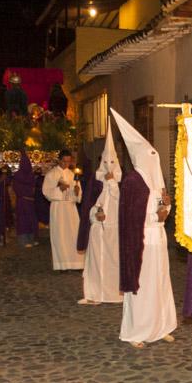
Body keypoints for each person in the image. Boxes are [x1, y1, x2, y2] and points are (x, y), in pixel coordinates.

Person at [113, 109, 177, 348]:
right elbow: (131, 215)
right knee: (142, 285)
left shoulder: (154, 180)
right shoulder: (132, 181)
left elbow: (161, 209)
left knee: (159, 282)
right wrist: (156, 214)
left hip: (157, 238)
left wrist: (166, 207)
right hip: (140, 241)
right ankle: (136, 331)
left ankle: (160, 326)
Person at [79, 122, 122, 305]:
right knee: (95, 261)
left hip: (115, 229)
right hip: (98, 228)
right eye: (105, 162)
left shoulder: (123, 182)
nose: (109, 166)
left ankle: (114, 294)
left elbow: (122, 202)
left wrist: (112, 183)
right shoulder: (95, 182)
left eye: (112, 162)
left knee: (113, 261)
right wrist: (95, 214)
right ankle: (94, 294)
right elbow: (89, 203)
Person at [42, 149, 84, 270]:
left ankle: (76, 263)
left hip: (70, 208)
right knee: (60, 235)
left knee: (73, 234)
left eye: (69, 162)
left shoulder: (72, 175)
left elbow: (78, 193)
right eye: (64, 161)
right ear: (59, 160)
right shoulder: (51, 174)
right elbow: (46, 192)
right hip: (58, 208)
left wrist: (77, 192)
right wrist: (59, 189)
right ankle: (62, 264)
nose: (66, 164)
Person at [12, 151, 39, 248]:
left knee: (32, 220)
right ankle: (23, 240)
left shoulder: (31, 175)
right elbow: (17, 188)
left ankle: (32, 239)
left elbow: (33, 187)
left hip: (30, 202)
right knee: (23, 221)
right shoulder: (18, 175)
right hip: (22, 202)